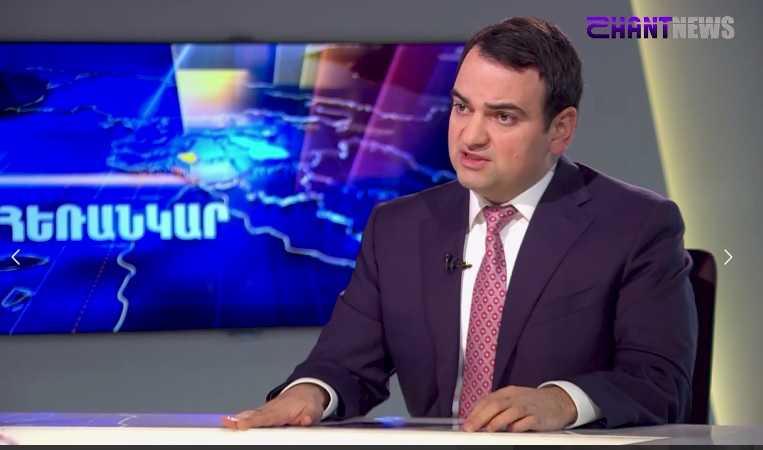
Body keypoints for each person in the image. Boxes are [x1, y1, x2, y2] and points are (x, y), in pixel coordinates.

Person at [223, 16, 697, 432]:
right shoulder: (398, 228)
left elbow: (660, 383)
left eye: (503, 117)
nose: (471, 136)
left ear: (560, 129)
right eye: (462, 107)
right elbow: (344, 365)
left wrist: (560, 402)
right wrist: (309, 395)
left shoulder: (635, 225)